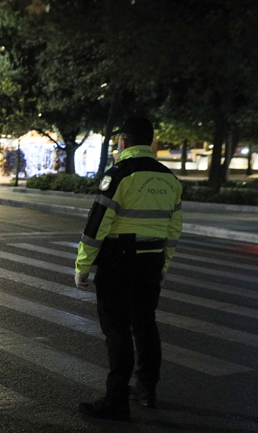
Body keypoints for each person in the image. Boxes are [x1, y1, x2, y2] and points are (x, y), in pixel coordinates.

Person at [74, 116, 182, 420]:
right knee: (145, 324)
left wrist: (83, 265)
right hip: (151, 263)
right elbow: (173, 231)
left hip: (119, 262)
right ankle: (147, 389)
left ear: (123, 141)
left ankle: (116, 400)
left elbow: (97, 224)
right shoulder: (169, 178)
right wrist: (164, 265)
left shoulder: (119, 174)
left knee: (117, 329)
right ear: (149, 142)